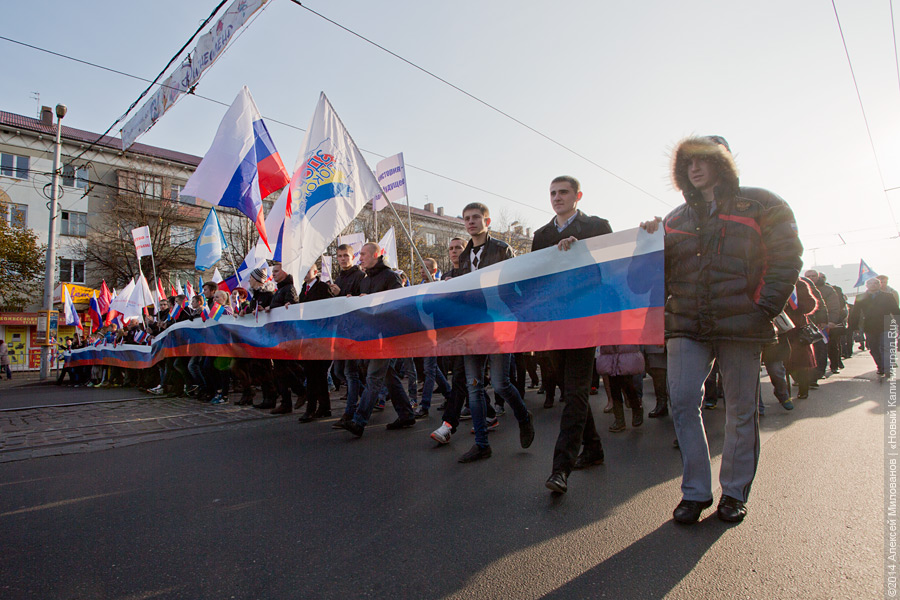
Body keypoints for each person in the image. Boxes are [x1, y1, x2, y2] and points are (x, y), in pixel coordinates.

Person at [642, 135, 802, 523]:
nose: (695, 168)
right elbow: (652, 272)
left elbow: (786, 257)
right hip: (686, 323)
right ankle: (695, 492)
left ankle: (733, 493)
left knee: (741, 409)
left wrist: (762, 308)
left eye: (704, 160)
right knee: (681, 401)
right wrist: (646, 240)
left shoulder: (763, 203)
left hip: (742, 324)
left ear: (724, 162)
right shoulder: (673, 220)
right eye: (688, 163)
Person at [534, 176, 612, 494]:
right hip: (555, 322)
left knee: (577, 390)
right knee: (571, 390)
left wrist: (580, 254)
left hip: (584, 318)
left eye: (563, 192)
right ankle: (593, 449)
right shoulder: (541, 235)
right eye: (552, 193)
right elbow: (536, 277)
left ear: (578, 195)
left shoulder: (597, 226)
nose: (557, 197)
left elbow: (610, 267)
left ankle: (561, 468)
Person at [451, 202, 535, 463]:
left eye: (476, 217)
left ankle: (524, 417)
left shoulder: (501, 249)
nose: (471, 222)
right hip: (472, 328)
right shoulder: (463, 256)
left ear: (487, 221)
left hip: (498, 324)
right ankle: (481, 444)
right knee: (474, 387)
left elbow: (513, 284)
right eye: (466, 219)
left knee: (500, 383)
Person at [340, 243, 417, 437]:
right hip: (372, 335)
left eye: (364, 254)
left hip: (387, 336)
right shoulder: (365, 280)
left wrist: (372, 300)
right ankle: (407, 414)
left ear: (376, 254)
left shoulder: (391, 277)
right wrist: (355, 300)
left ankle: (359, 421)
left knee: (374, 377)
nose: (360, 258)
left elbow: (399, 304)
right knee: (389, 377)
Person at [297, 263, 336, 422]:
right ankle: (325, 407)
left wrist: (319, 331)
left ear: (315, 272)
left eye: (308, 271)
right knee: (314, 374)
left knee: (316, 374)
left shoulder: (322, 288)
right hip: (307, 337)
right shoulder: (303, 290)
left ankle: (311, 409)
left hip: (321, 338)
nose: (305, 274)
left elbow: (329, 311)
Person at [266, 262, 301, 415]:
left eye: (276, 271)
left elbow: (292, 306)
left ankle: (300, 391)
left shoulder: (289, 288)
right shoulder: (279, 290)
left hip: (286, 335)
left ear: (285, 272)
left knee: (283, 369)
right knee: (280, 370)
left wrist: (289, 304)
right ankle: (287, 401)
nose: (273, 274)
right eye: (272, 271)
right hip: (278, 334)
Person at [849, 278, 900, 376]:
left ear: (880, 285)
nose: (873, 285)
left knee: (886, 347)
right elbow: (855, 313)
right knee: (874, 348)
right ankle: (880, 366)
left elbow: (895, 311)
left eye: (876, 283)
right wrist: (854, 327)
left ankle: (887, 368)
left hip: (886, 325)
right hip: (870, 326)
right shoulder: (861, 297)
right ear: (867, 285)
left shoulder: (888, 296)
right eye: (870, 283)